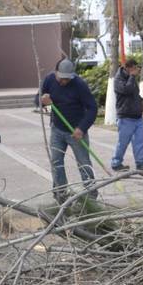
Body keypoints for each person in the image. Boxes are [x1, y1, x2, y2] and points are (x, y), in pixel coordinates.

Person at [37, 59, 98, 202]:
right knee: (56, 162)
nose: (63, 82)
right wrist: (44, 102)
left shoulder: (79, 85)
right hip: (57, 129)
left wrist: (82, 128)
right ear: (56, 73)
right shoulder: (49, 80)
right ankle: (61, 193)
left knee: (84, 163)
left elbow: (92, 108)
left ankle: (91, 195)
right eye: (61, 78)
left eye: (67, 79)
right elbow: (38, 100)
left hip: (76, 131)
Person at [110, 58, 143, 172]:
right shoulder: (118, 79)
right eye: (135, 68)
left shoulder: (131, 78)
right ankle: (116, 163)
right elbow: (126, 90)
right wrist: (132, 76)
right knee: (123, 142)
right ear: (128, 68)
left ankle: (141, 163)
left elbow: (133, 93)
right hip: (126, 117)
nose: (137, 71)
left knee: (140, 141)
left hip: (137, 117)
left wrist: (140, 99)